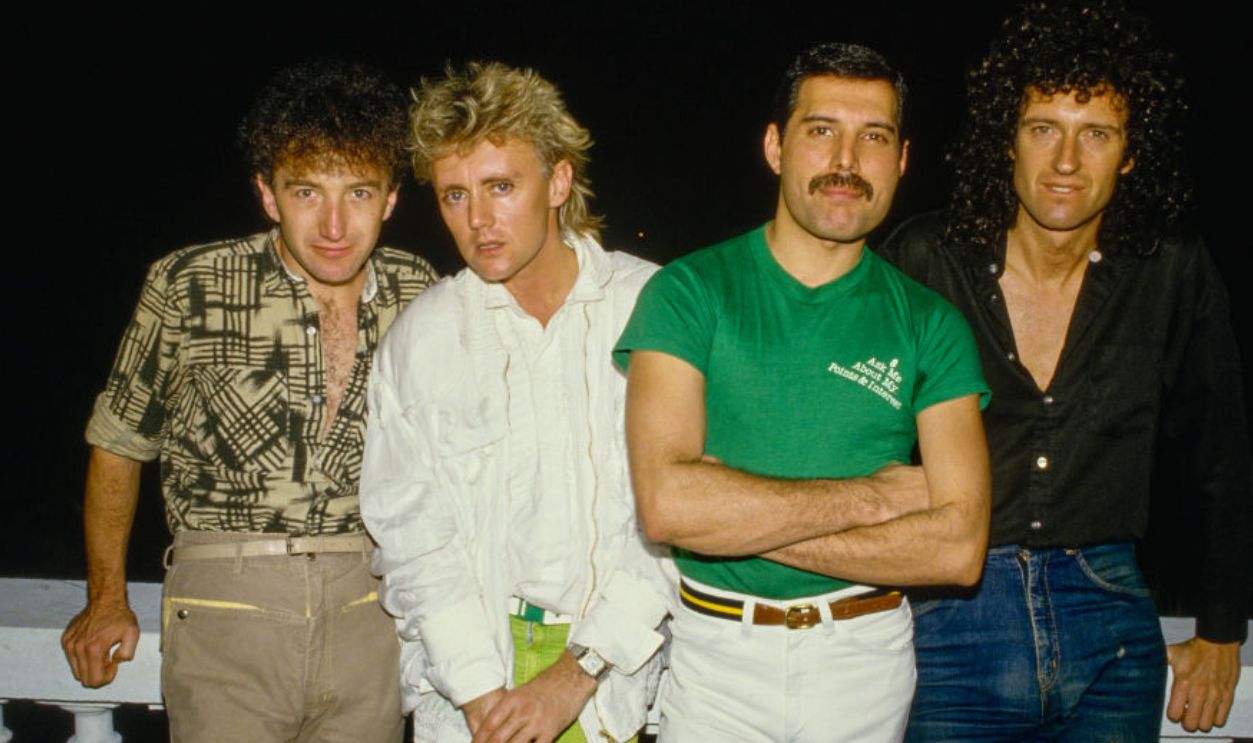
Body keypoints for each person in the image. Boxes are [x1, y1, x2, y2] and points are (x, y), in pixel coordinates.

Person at [879, 1, 1252, 738]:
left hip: (1111, 622)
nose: (1065, 163)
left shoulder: (1168, 272)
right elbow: (854, 434)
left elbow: (1219, 456)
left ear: (1130, 152)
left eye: (1097, 135)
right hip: (952, 615)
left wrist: (1220, 627)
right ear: (1005, 142)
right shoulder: (925, 261)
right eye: (1043, 128)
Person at [615, 42, 991, 742]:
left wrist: (737, 518)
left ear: (901, 159)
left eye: (872, 137)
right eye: (820, 131)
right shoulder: (689, 292)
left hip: (863, 658)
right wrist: (875, 499)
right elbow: (666, 506)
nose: (845, 160)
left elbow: (956, 549)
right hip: (714, 657)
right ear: (775, 146)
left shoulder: (931, 323)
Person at [60, 58, 437, 742]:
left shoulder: (421, 291)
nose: (331, 224)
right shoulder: (191, 282)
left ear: (389, 199)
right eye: (304, 192)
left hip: (370, 608)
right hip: (227, 602)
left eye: (356, 193)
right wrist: (106, 597)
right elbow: (118, 443)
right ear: (268, 194)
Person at [359, 62, 669, 743]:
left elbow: (676, 516)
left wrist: (577, 671)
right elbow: (411, 538)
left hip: (623, 684)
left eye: (501, 186)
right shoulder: (423, 339)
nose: (477, 220)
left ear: (557, 181)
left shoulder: (653, 308)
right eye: (453, 195)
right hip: (471, 688)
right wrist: (478, 693)